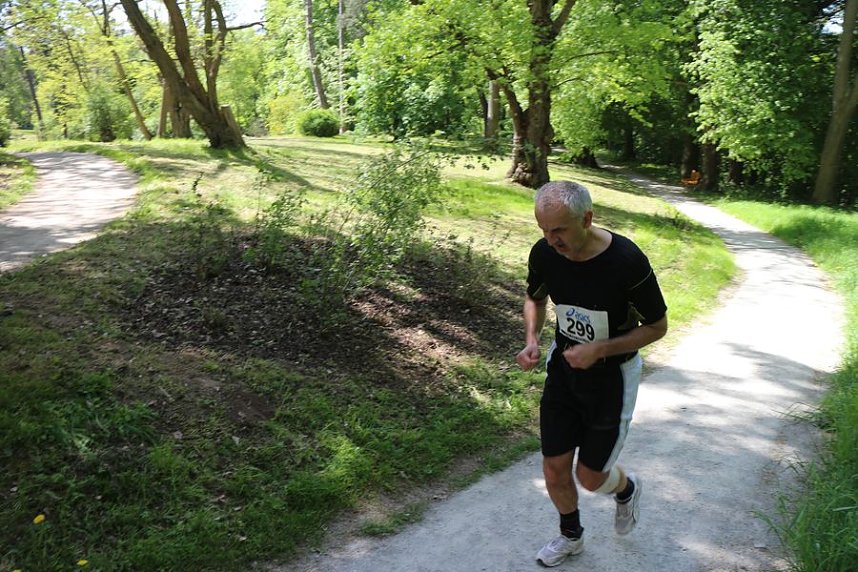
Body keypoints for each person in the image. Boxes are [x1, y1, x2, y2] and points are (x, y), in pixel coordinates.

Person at [516, 181, 668, 567]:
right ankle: (571, 536)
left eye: (560, 230)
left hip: (612, 380)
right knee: (553, 466)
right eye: (544, 230)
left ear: (587, 218)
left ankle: (627, 488)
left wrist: (600, 349)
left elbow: (657, 326)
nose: (551, 241)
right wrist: (532, 338)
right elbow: (535, 297)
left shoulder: (626, 261)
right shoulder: (545, 253)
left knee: (590, 477)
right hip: (564, 371)